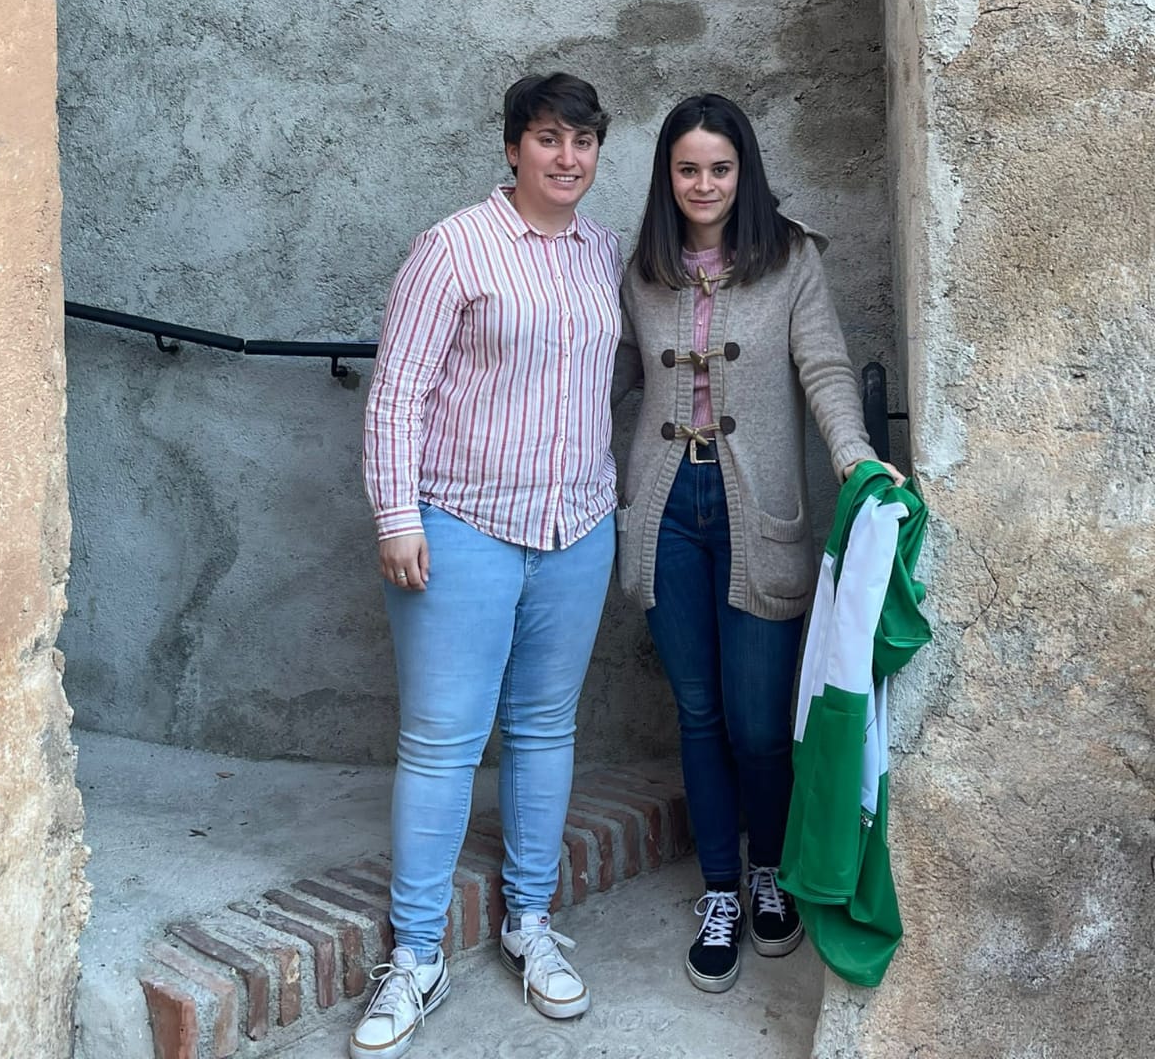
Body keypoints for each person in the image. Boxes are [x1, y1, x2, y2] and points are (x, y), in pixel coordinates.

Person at [353, 73, 622, 1059]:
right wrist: (397, 516)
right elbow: (398, 393)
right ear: (513, 148)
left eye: (582, 141)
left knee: (545, 728)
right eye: (548, 138)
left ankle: (529, 922)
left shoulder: (603, 252)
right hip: (461, 525)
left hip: (577, 526)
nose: (566, 157)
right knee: (441, 742)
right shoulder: (453, 246)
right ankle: (416, 954)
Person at [612, 94, 904, 995]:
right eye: (687, 168)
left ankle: (769, 870)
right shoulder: (642, 270)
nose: (704, 184)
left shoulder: (790, 258)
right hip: (665, 510)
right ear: (667, 176)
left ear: (745, 172)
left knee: (758, 722)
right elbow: (602, 379)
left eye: (720, 168)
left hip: (758, 513)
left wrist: (855, 458)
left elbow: (823, 366)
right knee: (698, 713)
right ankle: (720, 892)